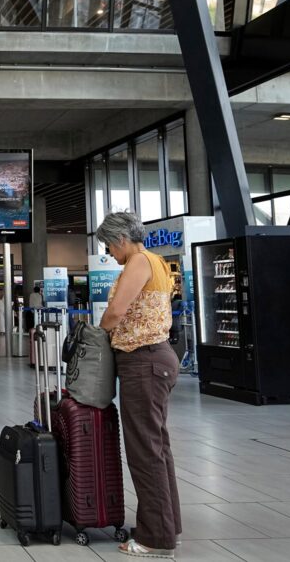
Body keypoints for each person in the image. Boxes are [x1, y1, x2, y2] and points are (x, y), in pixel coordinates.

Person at [96, 212, 181, 559]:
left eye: (108, 245)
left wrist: (96, 334)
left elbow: (117, 311)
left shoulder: (138, 261)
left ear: (120, 239)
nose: (109, 252)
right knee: (157, 448)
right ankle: (166, 526)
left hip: (143, 361)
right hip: (155, 358)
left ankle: (156, 539)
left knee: (145, 452)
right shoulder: (156, 261)